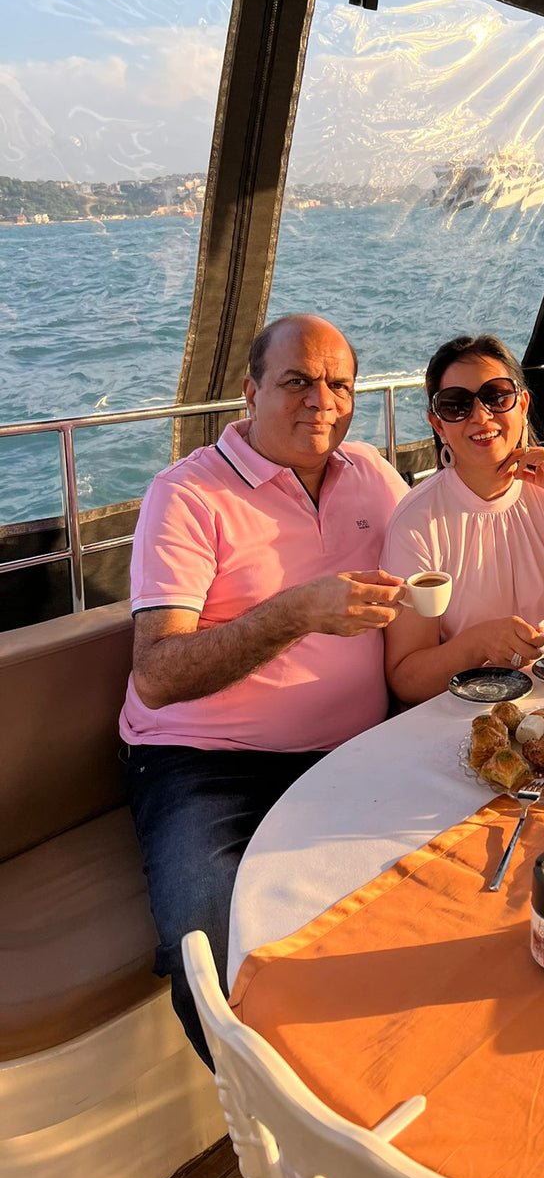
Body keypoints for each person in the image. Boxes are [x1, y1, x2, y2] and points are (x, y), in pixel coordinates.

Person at [120, 314, 409, 1065]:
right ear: (249, 392)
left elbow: (441, 558)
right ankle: (275, 1136)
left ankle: (388, 1075)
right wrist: (295, 613)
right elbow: (157, 676)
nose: (323, 400)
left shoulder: (374, 476)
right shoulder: (186, 496)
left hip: (355, 750)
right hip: (206, 763)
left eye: (339, 383)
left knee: (454, 881)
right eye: (297, 382)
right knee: (211, 950)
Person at [381, 333, 544, 704]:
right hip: (480, 709)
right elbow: (408, 678)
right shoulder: (418, 522)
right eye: (456, 405)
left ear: (523, 404)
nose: (481, 416)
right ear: (438, 425)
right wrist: (478, 644)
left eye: (496, 396)